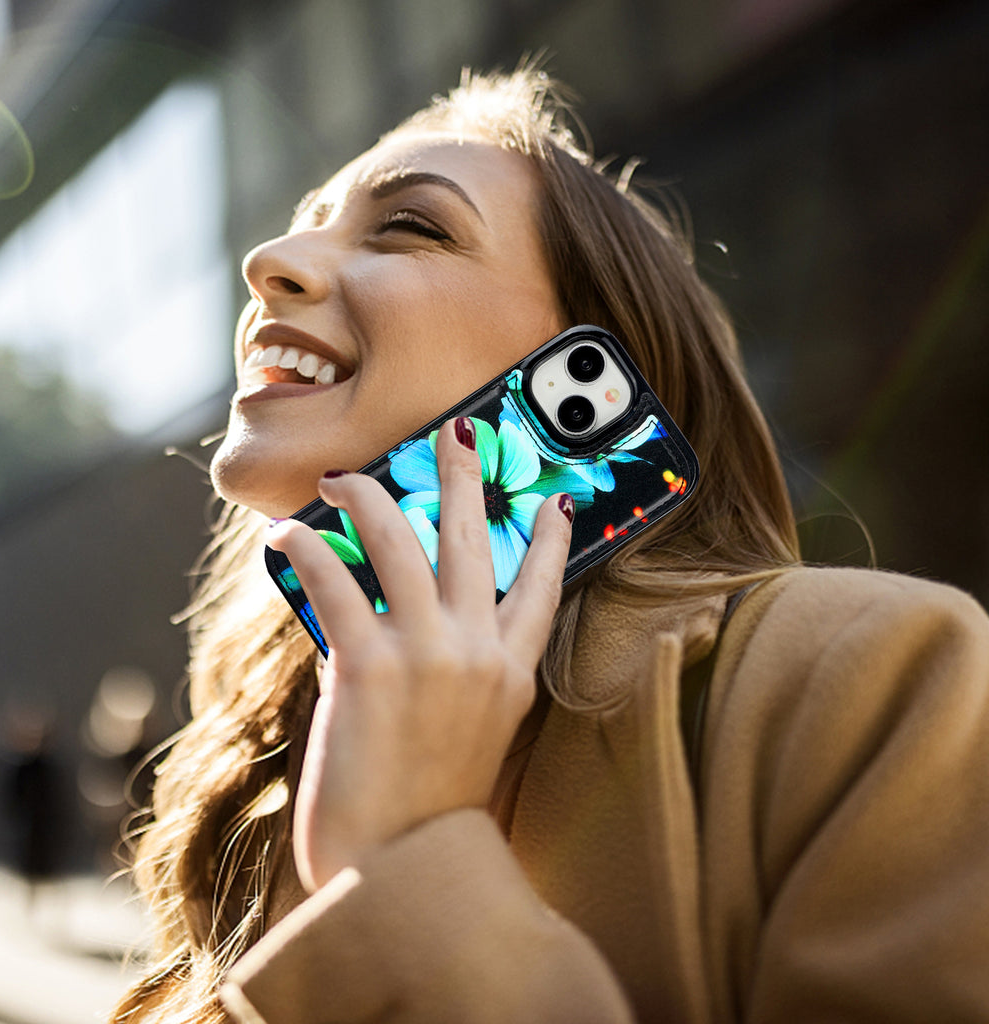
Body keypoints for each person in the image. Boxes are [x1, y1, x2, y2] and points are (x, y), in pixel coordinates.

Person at [111, 67, 989, 1024]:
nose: (270, 259)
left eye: (411, 226)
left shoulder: (870, 677)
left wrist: (414, 858)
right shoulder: (263, 740)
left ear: (598, 362)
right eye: (305, 221)